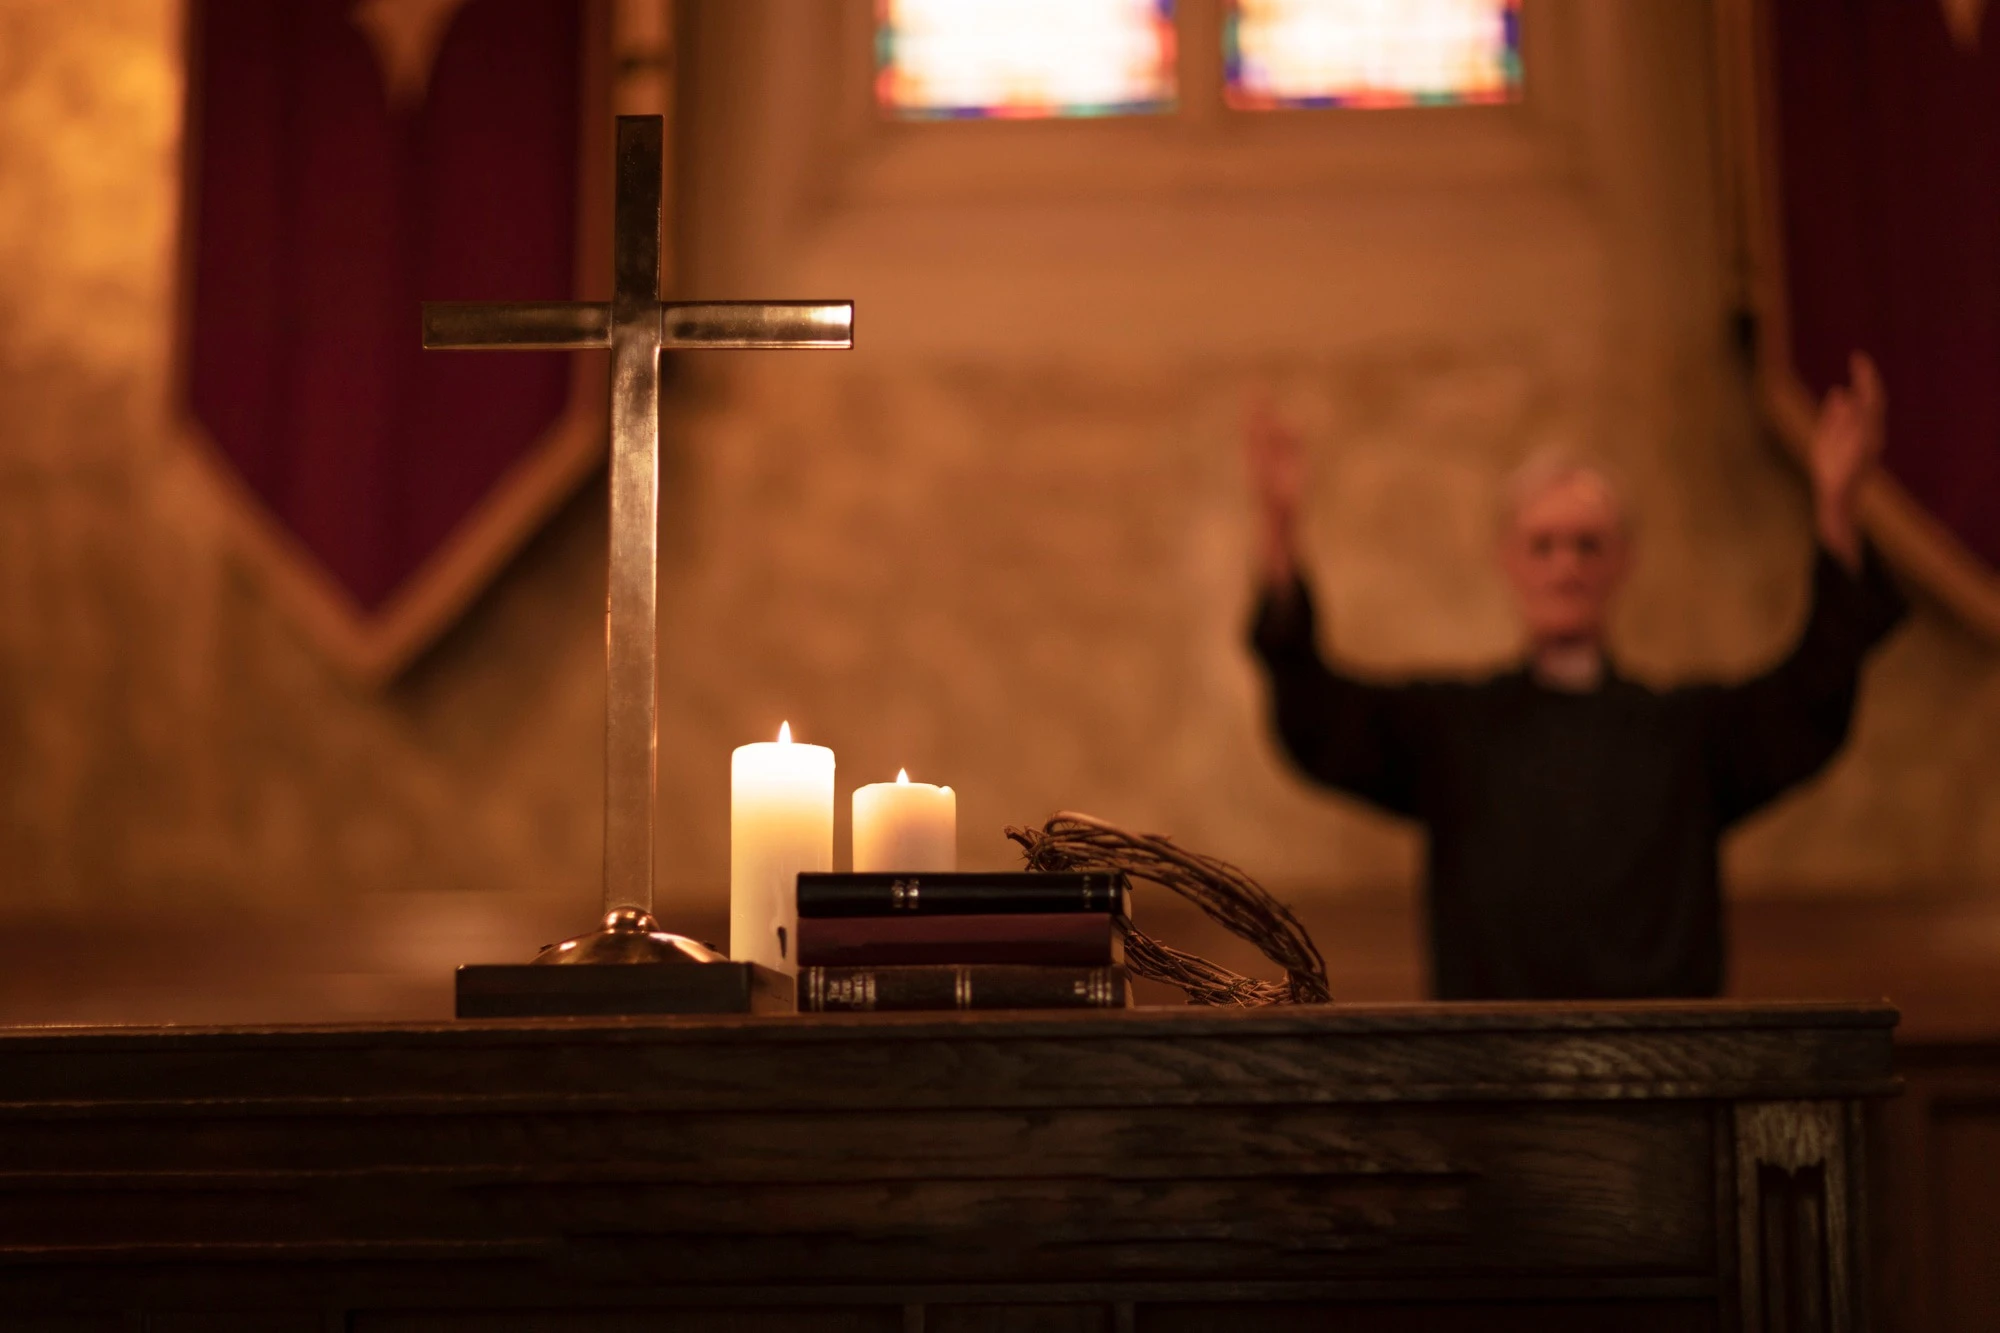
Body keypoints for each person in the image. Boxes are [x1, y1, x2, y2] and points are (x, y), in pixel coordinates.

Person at [1246, 355, 1907, 999]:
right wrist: (1279, 532)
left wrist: (1836, 508)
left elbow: (1810, 699)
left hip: (1662, 1076)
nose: (1566, 566)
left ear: (1623, 561)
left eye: (1587, 543)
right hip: (1496, 1079)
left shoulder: (1688, 734)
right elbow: (1317, 715)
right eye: (1544, 544)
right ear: (1510, 561)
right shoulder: (1449, 731)